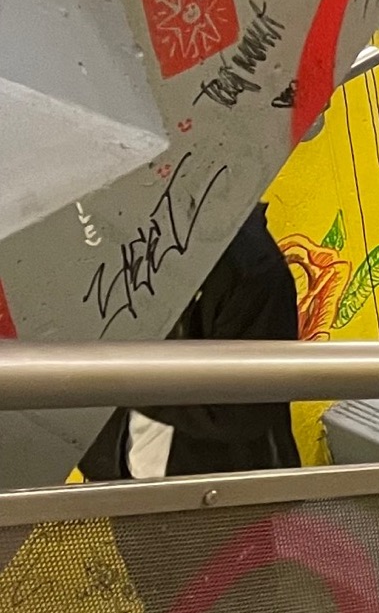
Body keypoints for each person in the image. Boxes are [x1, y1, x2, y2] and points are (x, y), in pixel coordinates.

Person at [77, 203, 301, 480]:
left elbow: (243, 412)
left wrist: (119, 382)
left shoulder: (251, 267)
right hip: (125, 474)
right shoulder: (108, 237)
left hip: (224, 491)